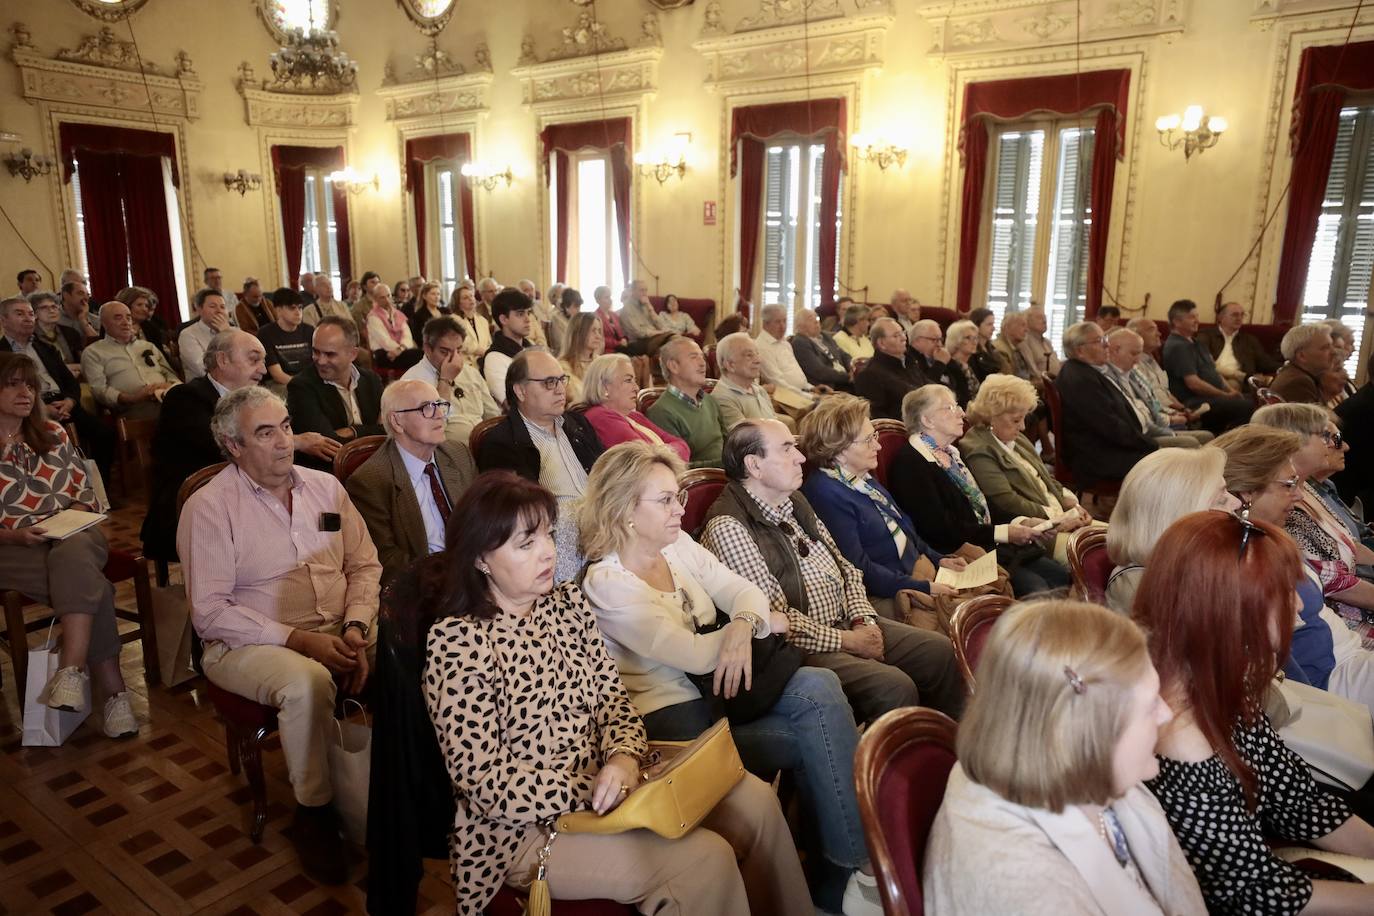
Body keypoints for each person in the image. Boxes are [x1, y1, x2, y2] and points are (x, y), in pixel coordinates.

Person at [416, 470, 811, 915]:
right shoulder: (459, 642)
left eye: (547, 535)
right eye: (525, 545)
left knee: (754, 800)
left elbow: (613, 701)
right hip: (522, 830)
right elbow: (483, 781)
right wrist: (594, 788)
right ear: (481, 560)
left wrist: (623, 759)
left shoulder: (566, 604)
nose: (547, 552)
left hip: (613, 779)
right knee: (705, 859)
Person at [578, 443, 882, 915]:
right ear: (624, 510)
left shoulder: (675, 544)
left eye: (678, 495)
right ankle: (848, 871)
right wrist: (758, 624)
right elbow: (695, 657)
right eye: (664, 500)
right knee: (819, 721)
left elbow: (745, 591)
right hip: (678, 723)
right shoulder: (607, 582)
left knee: (821, 688)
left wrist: (744, 624)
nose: (680, 508)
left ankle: (845, 870)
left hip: (729, 692)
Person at [179, 386, 381, 886]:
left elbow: (364, 564)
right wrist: (298, 640)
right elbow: (209, 612)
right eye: (265, 433)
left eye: (286, 427)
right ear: (234, 446)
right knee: (306, 683)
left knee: (419, 651)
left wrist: (356, 625)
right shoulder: (210, 508)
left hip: (339, 625)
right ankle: (314, 815)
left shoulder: (325, 488)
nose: (284, 442)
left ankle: (398, 788)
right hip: (248, 643)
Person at [1138, 511, 1374, 914]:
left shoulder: (1219, 677)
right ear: (1228, 610)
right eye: (1282, 591)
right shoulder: (1182, 737)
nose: (1299, 604)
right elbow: (1252, 894)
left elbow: (1299, 801)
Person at [924, 599, 1206, 916]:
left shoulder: (1057, 769)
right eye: (1148, 705)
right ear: (1086, 735)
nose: (1165, 714)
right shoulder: (1031, 894)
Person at [700, 419, 967, 723]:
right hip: (802, 647)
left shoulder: (793, 499)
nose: (801, 457)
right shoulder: (730, 527)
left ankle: (947, 746)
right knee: (893, 687)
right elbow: (778, 619)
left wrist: (862, 620)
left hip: (847, 621)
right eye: (787, 449)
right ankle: (887, 766)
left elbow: (847, 569)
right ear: (754, 465)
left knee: (941, 653)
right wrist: (849, 641)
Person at [0, 353, 137, 739]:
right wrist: (15, 535)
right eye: (12, 384)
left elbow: (85, 494)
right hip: (11, 546)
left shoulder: (53, 433)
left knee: (75, 552)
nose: (25, 392)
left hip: (74, 534)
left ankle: (71, 668)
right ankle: (115, 694)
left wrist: (72, 513)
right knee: (93, 587)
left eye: (30, 384)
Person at [888, 385, 1071, 596]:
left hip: (986, 544)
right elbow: (939, 530)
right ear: (927, 420)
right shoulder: (911, 464)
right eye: (949, 407)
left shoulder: (950, 454)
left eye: (957, 405)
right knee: (1036, 588)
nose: (962, 413)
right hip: (958, 555)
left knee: (1059, 575)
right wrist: (1003, 533)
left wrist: (1021, 522)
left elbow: (981, 503)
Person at [798, 394, 960, 602]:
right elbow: (859, 568)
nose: (878, 446)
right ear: (838, 450)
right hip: (889, 592)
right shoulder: (825, 493)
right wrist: (924, 587)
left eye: (874, 436)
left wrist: (941, 560)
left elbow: (904, 529)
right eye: (868, 440)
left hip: (917, 572)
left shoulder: (860, 477)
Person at [141, 330, 269, 562]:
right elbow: (220, 446)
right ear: (222, 360)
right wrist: (292, 441)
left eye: (263, 361)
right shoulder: (185, 397)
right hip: (193, 507)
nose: (263, 369)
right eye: (254, 359)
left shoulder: (256, 400)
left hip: (242, 496)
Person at [346, 379, 476, 586]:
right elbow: (386, 558)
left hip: (477, 569)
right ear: (397, 422)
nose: (440, 415)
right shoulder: (370, 481)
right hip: (427, 584)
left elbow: (482, 518)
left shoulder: (458, 454)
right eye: (426, 408)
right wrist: (450, 575)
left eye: (440, 405)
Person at [1104, 447, 1238, 614]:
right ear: (1180, 516)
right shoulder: (1140, 588)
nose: (1237, 503)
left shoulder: (1186, 569)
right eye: (1221, 499)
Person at [959, 374, 1093, 536]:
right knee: (1111, 548)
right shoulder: (978, 449)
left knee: (1115, 539)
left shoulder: (1015, 437)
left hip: (1059, 518)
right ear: (992, 416)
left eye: (1023, 418)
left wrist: (1073, 506)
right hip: (1038, 532)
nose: (1022, 427)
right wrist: (1058, 517)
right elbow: (1006, 501)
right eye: (1016, 420)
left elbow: (1045, 477)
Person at [0, 296, 113, 481]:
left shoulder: (46, 348)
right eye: (20, 314)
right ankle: (49, 486)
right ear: (3, 320)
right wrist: (41, 408)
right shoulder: (2, 354)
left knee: (104, 433)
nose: (28, 318)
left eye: (30, 313)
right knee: (49, 440)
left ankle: (98, 489)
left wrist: (69, 402)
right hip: (26, 407)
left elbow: (70, 382)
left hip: (62, 402)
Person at [1055, 321, 1158, 490]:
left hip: (1105, 448)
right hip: (1096, 458)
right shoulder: (1080, 379)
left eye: (1105, 339)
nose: (1107, 345)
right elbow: (1110, 426)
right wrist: (1149, 443)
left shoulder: (1085, 371)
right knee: (1165, 461)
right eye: (1099, 341)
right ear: (1080, 350)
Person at [285, 317, 385, 468]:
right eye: (315, 352)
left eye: (330, 354)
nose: (320, 360)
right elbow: (329, 448)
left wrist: (352, 431)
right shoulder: (301, 387)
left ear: (352, 354)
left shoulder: (371, 380)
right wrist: (374, 433)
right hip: (331, 475)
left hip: (375, 466)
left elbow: (391, 430)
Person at [1105, 328, 1213, 448]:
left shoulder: (1129, 372)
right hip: (1141, 436)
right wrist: (1170, 425)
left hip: (1153, 426)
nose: (1137, 360)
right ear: (1115, 350)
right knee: (1191, 443)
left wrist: (1177, 414)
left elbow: (1151, 405)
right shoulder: (1109, 378)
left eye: (1139, 354)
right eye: (1134, 354)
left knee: (1207, 437)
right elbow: (1138, 420)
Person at [401, 315, 499, 446]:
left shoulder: (470, 373)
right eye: (445, 352)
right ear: (427, 348)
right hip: (445, 453)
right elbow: (432, 427)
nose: (454, 360)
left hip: (483, 446)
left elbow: (492, 415)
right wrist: (445, 380)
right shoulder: (412, 382)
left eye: (458, 350)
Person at [1161, 299, 1254, 431]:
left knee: (1255, 399)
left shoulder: (1195, 342)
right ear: (1176, 322)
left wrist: (1231, 391)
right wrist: (1224, 395)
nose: (1197, 321)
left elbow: (1214, 372)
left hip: (1211, 397)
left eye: (1197, 317)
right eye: (1191, 317)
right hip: (1193, 401)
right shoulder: (1178, 346)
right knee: (1247, 406)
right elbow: (1194, 384)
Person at [580, 354, 690, 462]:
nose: (636, 388)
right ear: (605, 387)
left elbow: (682, 446)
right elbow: (648, 460)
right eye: (628, 380)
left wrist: (662, 452)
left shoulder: (634, 416)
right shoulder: (600, 417)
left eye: (635, 380)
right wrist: (667, 452)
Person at [81, 301, 180, 419]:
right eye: (118, 318)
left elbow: (171, 375)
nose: (126, 323)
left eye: (128, 318)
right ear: (104, 323)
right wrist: (132, 398)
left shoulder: (148, 346)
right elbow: (99, 390)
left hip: (167, 398)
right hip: (133, 407)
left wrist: (169, 386)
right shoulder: (93, 352)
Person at [647, 335, 728, 468]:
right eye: (693, 357)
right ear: (673, 366)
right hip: (702, 484)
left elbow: (729, 444)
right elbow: (677, 467)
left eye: (702, 357)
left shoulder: (710, 400)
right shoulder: (661, 412)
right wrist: (725, 465)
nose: (703, 363)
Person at [854, 316, 926, 420]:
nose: (904, 338)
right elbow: (877, 418)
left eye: (903, 332)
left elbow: (927, 385)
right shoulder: (870, 375)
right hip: (904, 431)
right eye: (896, 335)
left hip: (927, 424)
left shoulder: (909, 362)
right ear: (881, 343)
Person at [1197, 301, 1279, 390]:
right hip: (1212, 376)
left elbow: (1265, 362)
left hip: (1236, 382)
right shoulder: (1206, 335)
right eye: (1235, 315)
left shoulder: (1249, 340)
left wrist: (1286, 366)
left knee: (1232, 385)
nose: (1239, 318)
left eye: (1242, 315)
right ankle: (1243, 377)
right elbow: (1202, 361)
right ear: (1220, 317)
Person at [713, 332, 787, 431]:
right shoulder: (722, 398)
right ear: (730, 365)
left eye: (757, 354)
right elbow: (746, 439)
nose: (758, 360)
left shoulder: (759, 390)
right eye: (749, 355)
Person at [755, 304, 826, 395]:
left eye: (784, 321)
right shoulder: (761, 347)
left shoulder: (785, 344)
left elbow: (798, 376)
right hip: (787, 397)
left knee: (844, 401)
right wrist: (809, 396)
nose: (782, 326)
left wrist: (812, 388)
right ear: (765, 324)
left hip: (804, 392)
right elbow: (778, 384)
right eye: (777, 322)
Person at [482, 288, 534, 407]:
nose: (527, 319)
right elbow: (511, 403)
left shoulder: (530, 347)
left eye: (528, 313)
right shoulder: (494, 358)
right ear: (504, 319)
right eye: (520, 314)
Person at [258, 288, 315, 393]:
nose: (298, 312)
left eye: (300, 308)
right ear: (278, 310)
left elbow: (316, 364)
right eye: (292, 308)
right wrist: (305, 385)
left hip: (308, 381)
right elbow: (277, 375)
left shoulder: (309, 330)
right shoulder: (266, 333)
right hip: (279, 384)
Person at [1272, 323, 1337, 405]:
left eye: (1331, 346)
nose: (1334, 352)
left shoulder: (1295, 373)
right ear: (1302, 356)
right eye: (1325, 348)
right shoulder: (1298, 382)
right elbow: (1317, 417)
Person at [177, 288, 233, 381]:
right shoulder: (188, 334)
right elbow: (203, 369)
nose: (219, 311)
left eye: (222, 307)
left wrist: (228, 333)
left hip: (235, 382)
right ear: (199, 309)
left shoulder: (234, 331)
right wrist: (225, 335)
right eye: (212, 306)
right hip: (203, 386)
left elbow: (246, 359)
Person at [791, 308, 853, 391]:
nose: (816, 321)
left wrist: (852, 368)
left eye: (816, 318)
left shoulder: (825, 336)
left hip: (844, 379)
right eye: (810, 319)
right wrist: (848, 377)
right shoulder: (800, 342)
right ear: (800, 325)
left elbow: (844, 355)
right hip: (830, 385)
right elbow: (820, 371)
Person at [365, 283, 422, 372]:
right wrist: (398, 349)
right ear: (376, 299)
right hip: (384, 353)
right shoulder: (373, 317)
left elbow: (407, 335)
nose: (387, 300)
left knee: (422, 355)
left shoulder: (398, 314)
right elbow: (384, 341)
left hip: (401, 350)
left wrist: (401, 349)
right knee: (419, 356)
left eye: (388, 296)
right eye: (382, 297)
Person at [557, 310, 603, 404]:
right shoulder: (562, 366)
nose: (598, 336)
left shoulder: (600, 362)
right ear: (578, 333)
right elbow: (576, 397)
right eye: (593, 331)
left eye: (599, 331)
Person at [29, 290, 83, 370]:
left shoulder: (70, 332)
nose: (51, 311)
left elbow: (82, 361)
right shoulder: (30, 337)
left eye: (54, 306)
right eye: (44, 307)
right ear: (34, 314)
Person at [115, 285, 168, 356]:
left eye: (146, 306)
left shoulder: (152, 328)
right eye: (139, 305)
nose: (145, 309)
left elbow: (161, 356)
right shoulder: (113, 326)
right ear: (127, 305)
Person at [943, 319, 983, 406]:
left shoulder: (973, 363)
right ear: (955, 340)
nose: (974, 342)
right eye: (968, 338)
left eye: (976, 338)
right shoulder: (948, 365)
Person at [449, 283, 492, 362]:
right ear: (458, 303)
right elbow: (462, 343)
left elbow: (489, 343)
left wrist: (487, 353)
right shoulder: (453, 320)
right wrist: (481, 351)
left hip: (484, 361)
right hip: (464, 363)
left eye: (471, 296)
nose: (470, 299)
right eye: (465, 298)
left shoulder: (482, 320)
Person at [908, 318, 954, 386]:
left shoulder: (940, 355)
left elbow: (956, 383)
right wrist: (940, 363)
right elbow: (924, 386)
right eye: (934, 340)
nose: (939, 344)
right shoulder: (910, 358)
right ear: (917, 340)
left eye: (940, 339)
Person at [990, 311, 1033, 379]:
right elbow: (1009, 380)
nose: (1026, 330)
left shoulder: (1017, 348)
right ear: (1007, 328)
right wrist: (1037, 384)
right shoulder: (1000, 349)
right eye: (1022, 325)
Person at [968, 307, 1009, 378]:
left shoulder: (992, 348)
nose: (993, 328)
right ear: (976, 326)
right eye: (989, 324)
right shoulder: (972, 350)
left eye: (993, 324)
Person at [406, 281, 446, 349]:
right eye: (433, 294)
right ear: (424, 296)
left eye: (438, 294)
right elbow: (419, 338)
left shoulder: (445, 311)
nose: (437, 297)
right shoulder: (418, 315)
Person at [58, 279, 99, 343]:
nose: (86, 298)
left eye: (87, 295)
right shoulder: (54, 318)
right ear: (66, 295)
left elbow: (99, 346)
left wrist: (83, 320)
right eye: (80, 293)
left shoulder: (96, 320)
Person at [593, 285, 630, 354]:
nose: (610, 300)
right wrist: (618, 343)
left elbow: (621, 332)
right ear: (598, 300)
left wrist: (624, 338)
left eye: (610, 297)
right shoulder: (596, 317)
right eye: (606, 297)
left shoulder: (614, 315)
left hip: (620, 347)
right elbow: (600, 339)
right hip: (607, 350)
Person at [547, 284, 577, 354]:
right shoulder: (554, 316)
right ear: (554, 298)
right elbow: (561, 344)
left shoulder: (572, 313)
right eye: (564, 295)